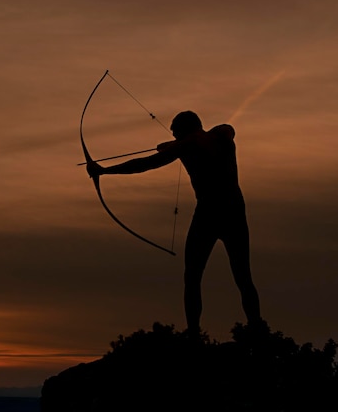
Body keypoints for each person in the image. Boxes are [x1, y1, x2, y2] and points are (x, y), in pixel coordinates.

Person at [86, 111, 264, 335]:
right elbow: (206, 138)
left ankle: (252, 330)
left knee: (233, 276)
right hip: (227, 212)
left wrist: (104, 170)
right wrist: (175, 144)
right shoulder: (206, 140)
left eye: (175, 130)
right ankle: (197, 332)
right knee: (198, 276)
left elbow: (146, 164)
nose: (172, 133)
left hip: (217, 213)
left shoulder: (213, 137)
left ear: (186, 130)